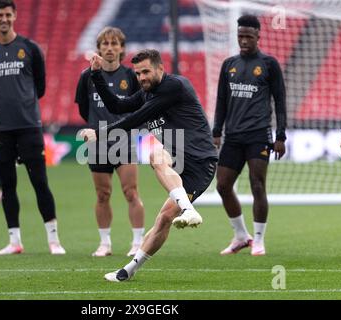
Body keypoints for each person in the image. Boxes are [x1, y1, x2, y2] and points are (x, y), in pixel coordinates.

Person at [80, 49, 218, 282]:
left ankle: (187, 209)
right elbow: (116, 106)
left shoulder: (175, 86)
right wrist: (96, 75)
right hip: (175, 157)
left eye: (146, 72)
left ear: (160, 69)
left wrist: (100, 134)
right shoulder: (145, 93)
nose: (141, 77)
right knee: (157, 171)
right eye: (137, 73)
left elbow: (134, 119)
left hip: (199, 162)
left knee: (156, 163)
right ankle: (128, 271)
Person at [0, 0, 65, 255]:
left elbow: (41, 86)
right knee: (8, 184)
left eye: (8, 15)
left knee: (39, 182)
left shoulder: (30, 48)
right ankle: (14, 241)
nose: (4, 19)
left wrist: (23, 104)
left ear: (15, 16)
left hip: (28, 126)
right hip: (0, 129)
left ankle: (54, 241)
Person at [213, 15, 287, 257]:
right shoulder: (229, 64)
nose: (243, 40)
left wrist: (281, 136)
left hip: (258, 135)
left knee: (257, 185)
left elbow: (280, 101)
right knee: (223, 185)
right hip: (233, 136)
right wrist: (217, 131)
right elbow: (221, 100)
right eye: (240, 36)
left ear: (258, 36)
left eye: (248, 36)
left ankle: (258, 239)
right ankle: (240, 235)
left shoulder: (268, 64)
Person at [75, 27, 145, 257]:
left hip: (123, 141)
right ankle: (105, 244)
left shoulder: (130, 77)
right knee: (102, 195)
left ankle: (137, 243)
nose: (110, 48)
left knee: (130, 192)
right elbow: (84, 110)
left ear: (122, 49)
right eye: (105, 44)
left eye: (114, 44)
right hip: (97, 143)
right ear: (99, 48)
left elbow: (139, 108)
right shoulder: (87, 77)